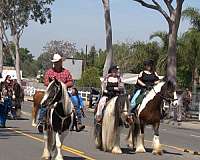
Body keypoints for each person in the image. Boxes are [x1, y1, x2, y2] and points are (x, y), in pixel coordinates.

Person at [37, 54, 74, 133]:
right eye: (55, 62)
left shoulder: (66, 72)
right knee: (44, 103)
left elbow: (71, 82)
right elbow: (46, 81)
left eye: (57, 62)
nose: (56, 63)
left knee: (74, 104)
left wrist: (63, 85)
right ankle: (41, 121)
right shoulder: (49, 72)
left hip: (63, 93)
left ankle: (77, 122)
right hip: (52, 93)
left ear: (61, 62)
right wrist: (52, 84)